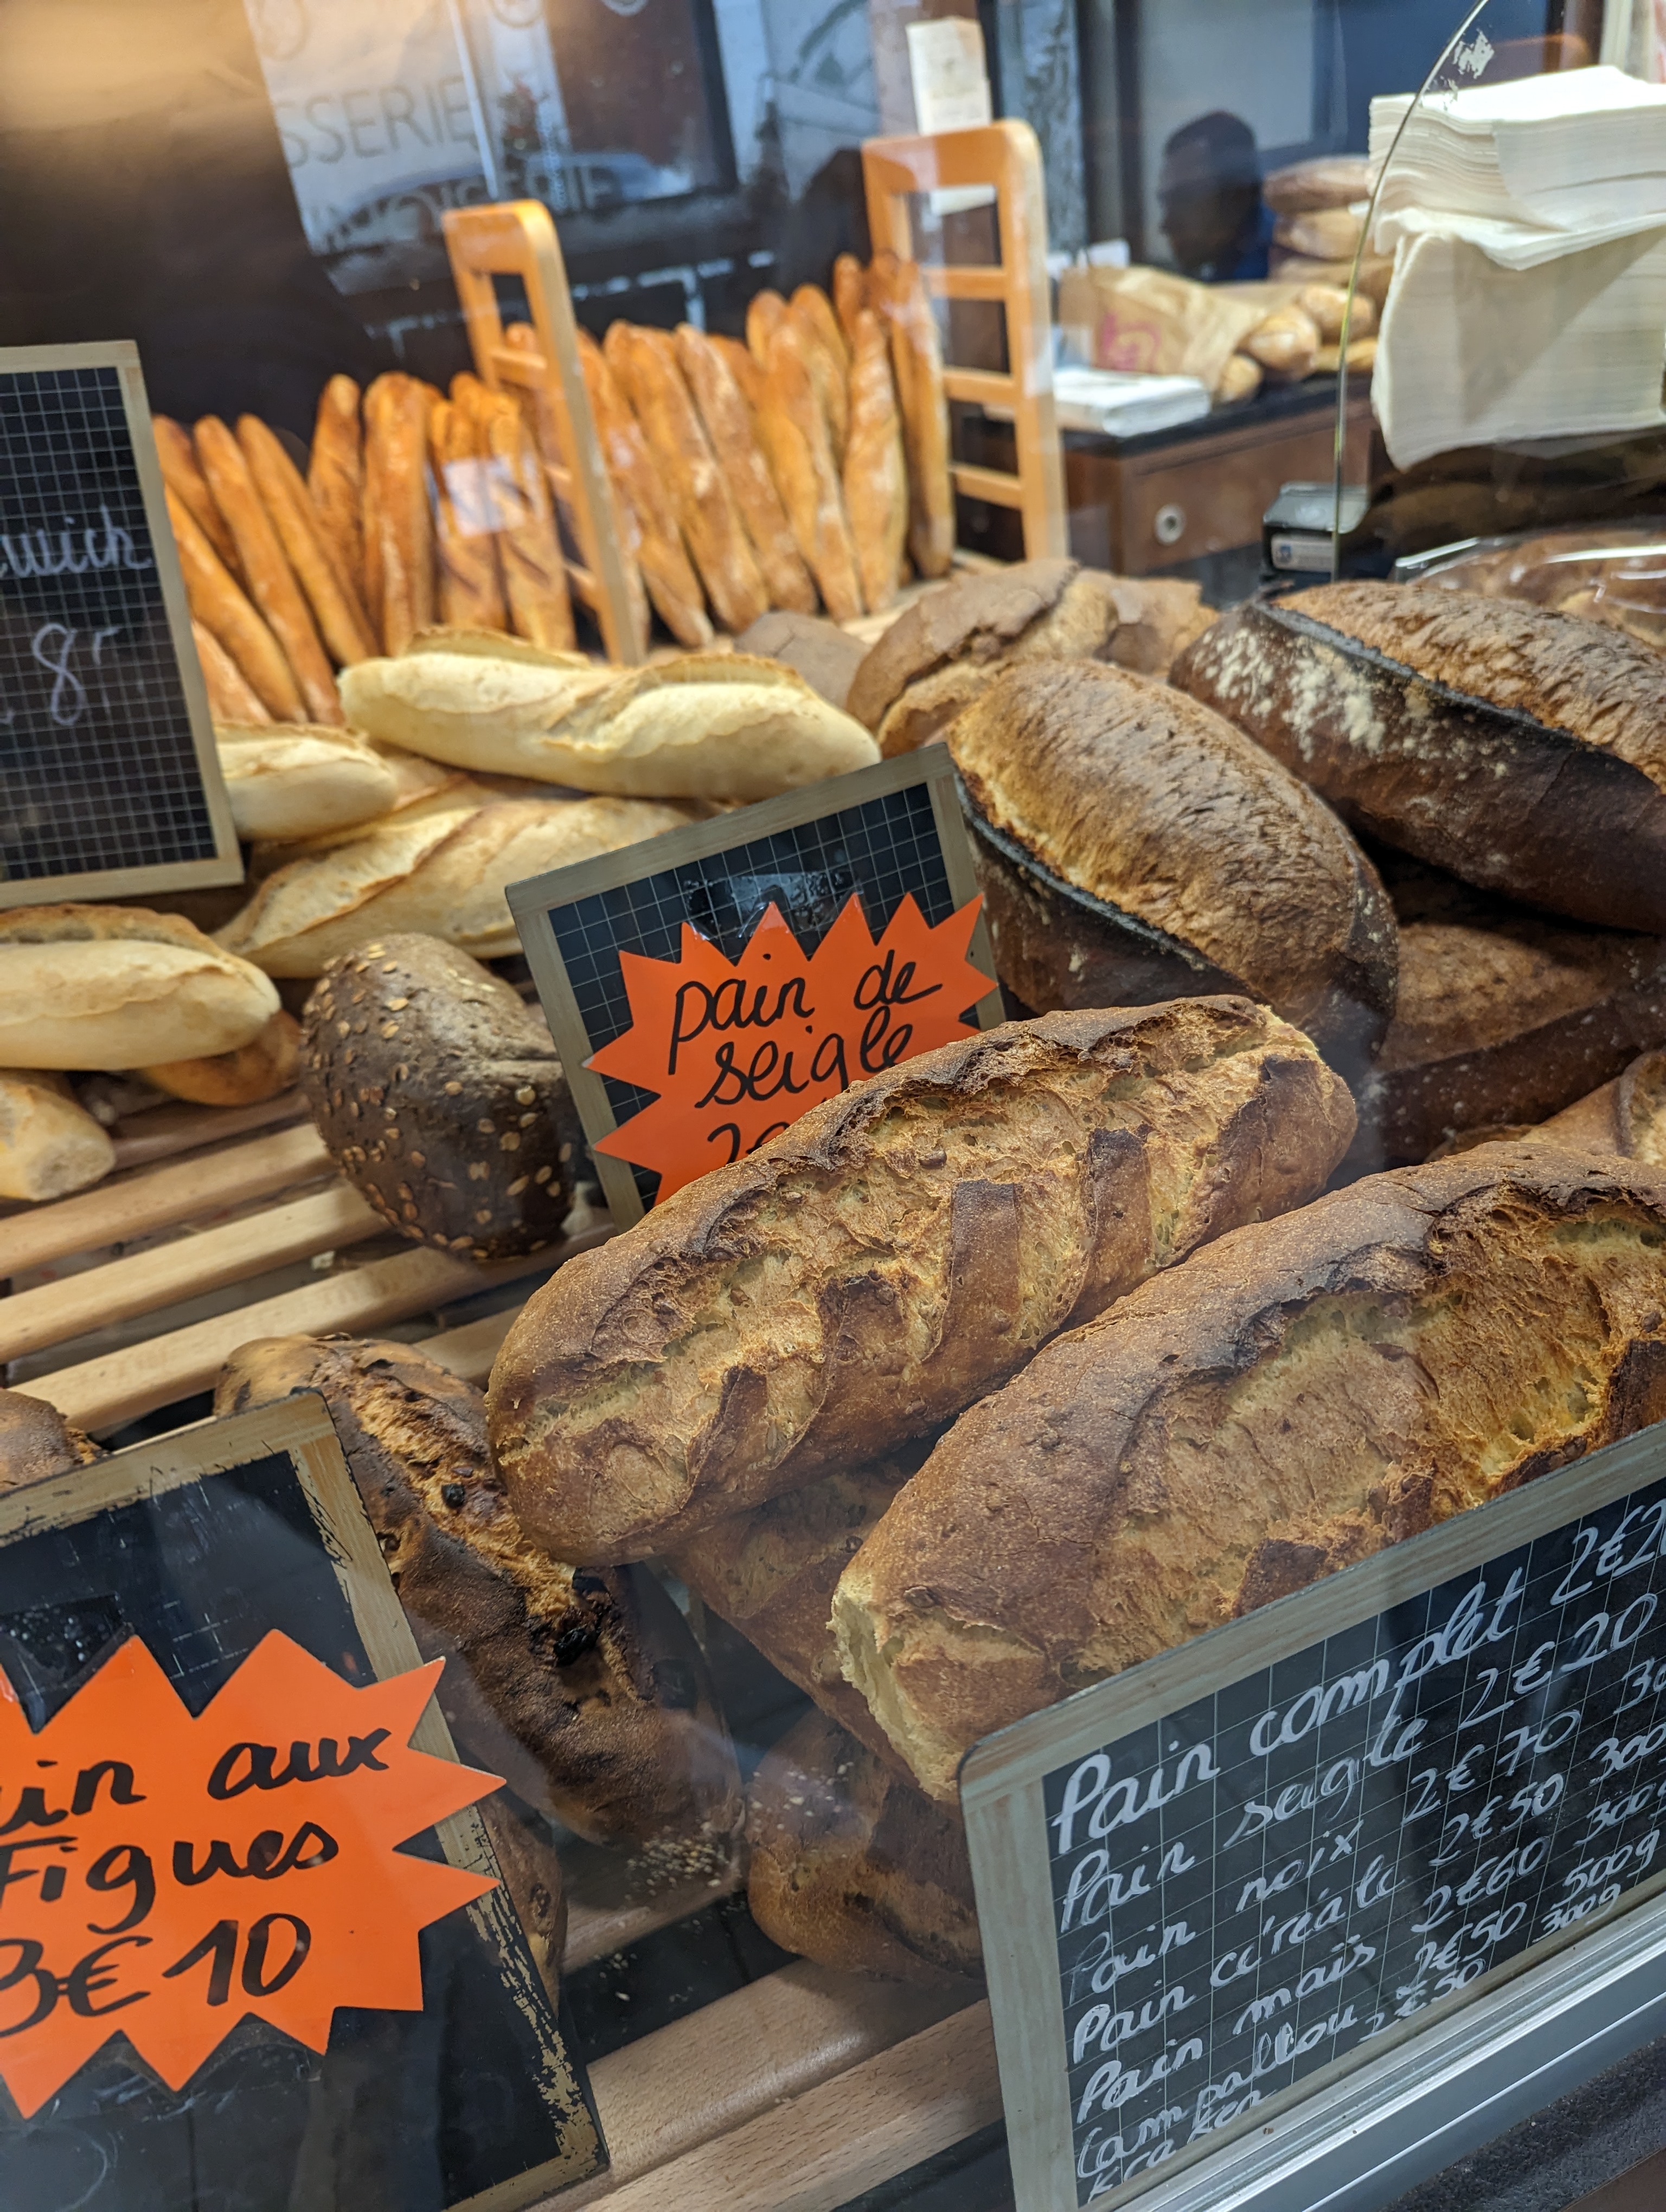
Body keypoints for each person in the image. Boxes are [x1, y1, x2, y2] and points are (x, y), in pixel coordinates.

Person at [1158, 111, 1274, 281]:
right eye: (1166, 204)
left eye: (1182, 202)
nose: (1165, 225)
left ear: (1237, 198)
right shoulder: (1226, 265)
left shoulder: (1283, 272)